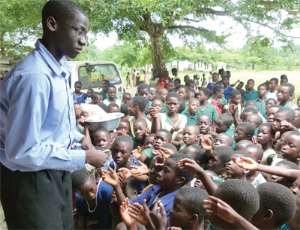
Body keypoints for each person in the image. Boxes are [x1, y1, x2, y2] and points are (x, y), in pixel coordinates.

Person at [0, 1, 107, 229]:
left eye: (85, 33)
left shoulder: (59, 69)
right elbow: (22, 152)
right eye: (78, 30)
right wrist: (85, 158)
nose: (83, 40)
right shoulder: (35, 76)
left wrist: (79, 138)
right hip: (30, 179)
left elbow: (52, 123)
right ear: (52, 24)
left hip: (53, 170)